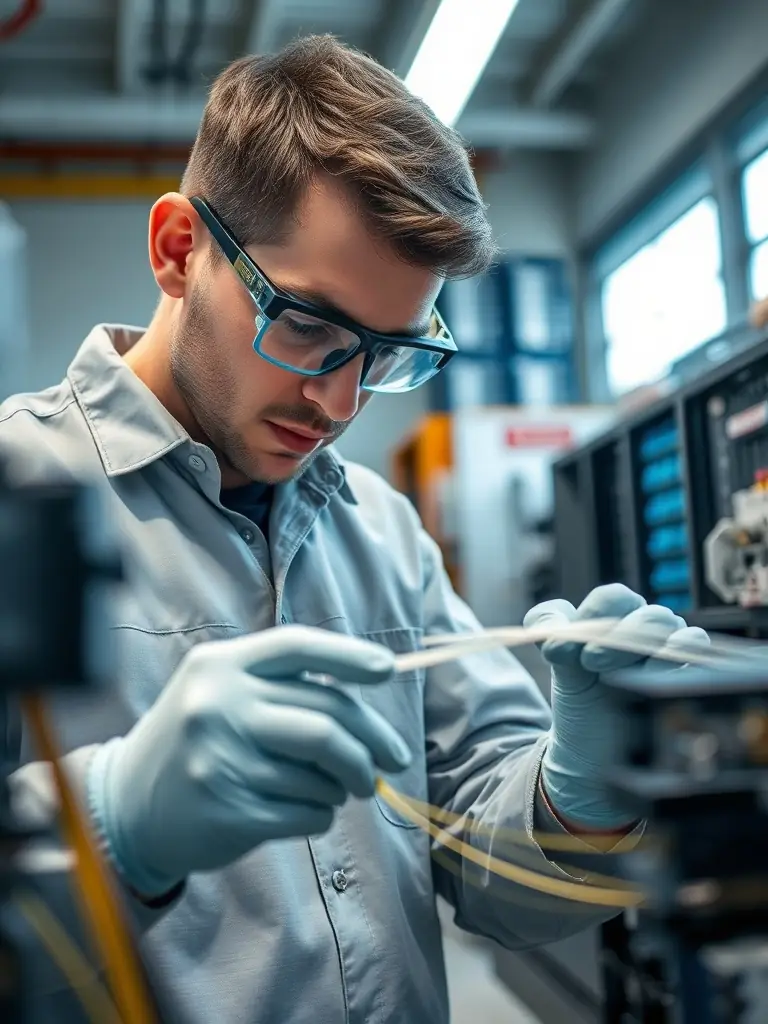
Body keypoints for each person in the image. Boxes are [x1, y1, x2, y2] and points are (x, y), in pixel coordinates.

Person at [1, 35, 709, 1024]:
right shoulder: (18, 494)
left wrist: (574, 797)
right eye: (306, 325)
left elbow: (488, 871)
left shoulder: (379, 526)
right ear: (177, 250)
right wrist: (114, 824)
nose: (340, 403)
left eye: (387, 355)